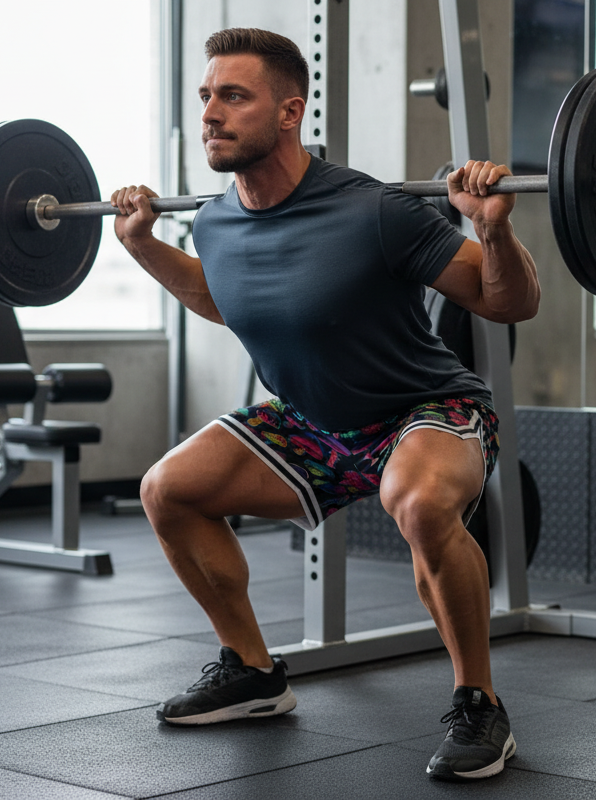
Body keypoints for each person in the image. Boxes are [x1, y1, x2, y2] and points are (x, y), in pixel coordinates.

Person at [110, 29, 538, 781]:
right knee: (167, 489)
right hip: (314, 421)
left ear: (288, 112)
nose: (211, 112)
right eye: (206, 96)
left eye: (233, 96)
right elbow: (221, 296)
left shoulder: (375, 210)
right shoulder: (214, 222)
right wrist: (144, 246)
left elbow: (509, 303)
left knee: (418, 500)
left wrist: (495, 233)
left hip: (426, 409)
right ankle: (252, 672)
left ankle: (481, 706)